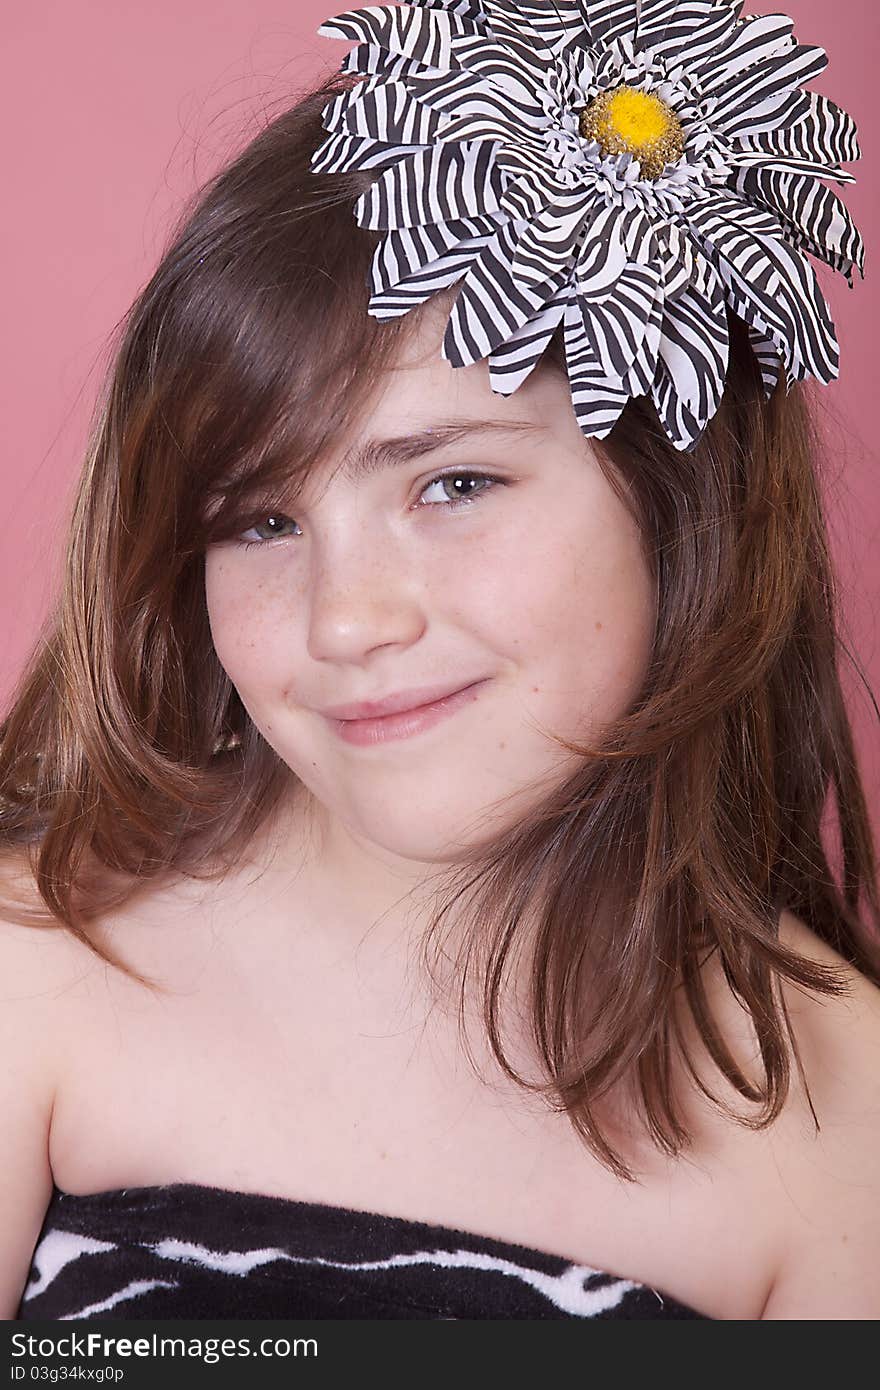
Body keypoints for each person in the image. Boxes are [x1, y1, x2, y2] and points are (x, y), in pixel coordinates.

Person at [2, 0, 879, 1321]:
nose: (347, 619)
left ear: (677, 503)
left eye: (455, 481)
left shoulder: (838, 1131)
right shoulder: (41, 961)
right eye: (260, 521)